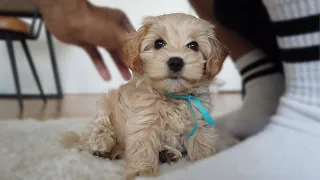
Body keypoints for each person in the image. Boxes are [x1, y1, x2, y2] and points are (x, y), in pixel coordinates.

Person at [34, 0, 320, 179]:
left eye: (193, 46)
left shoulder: (198, 100)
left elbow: (202, 131)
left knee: (201, 135)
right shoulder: (142, 96)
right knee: (129, 133)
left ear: (211, 60)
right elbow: (142, 133)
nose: (176, 57)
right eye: (159, 44)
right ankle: (106, 138)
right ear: (137, 53)